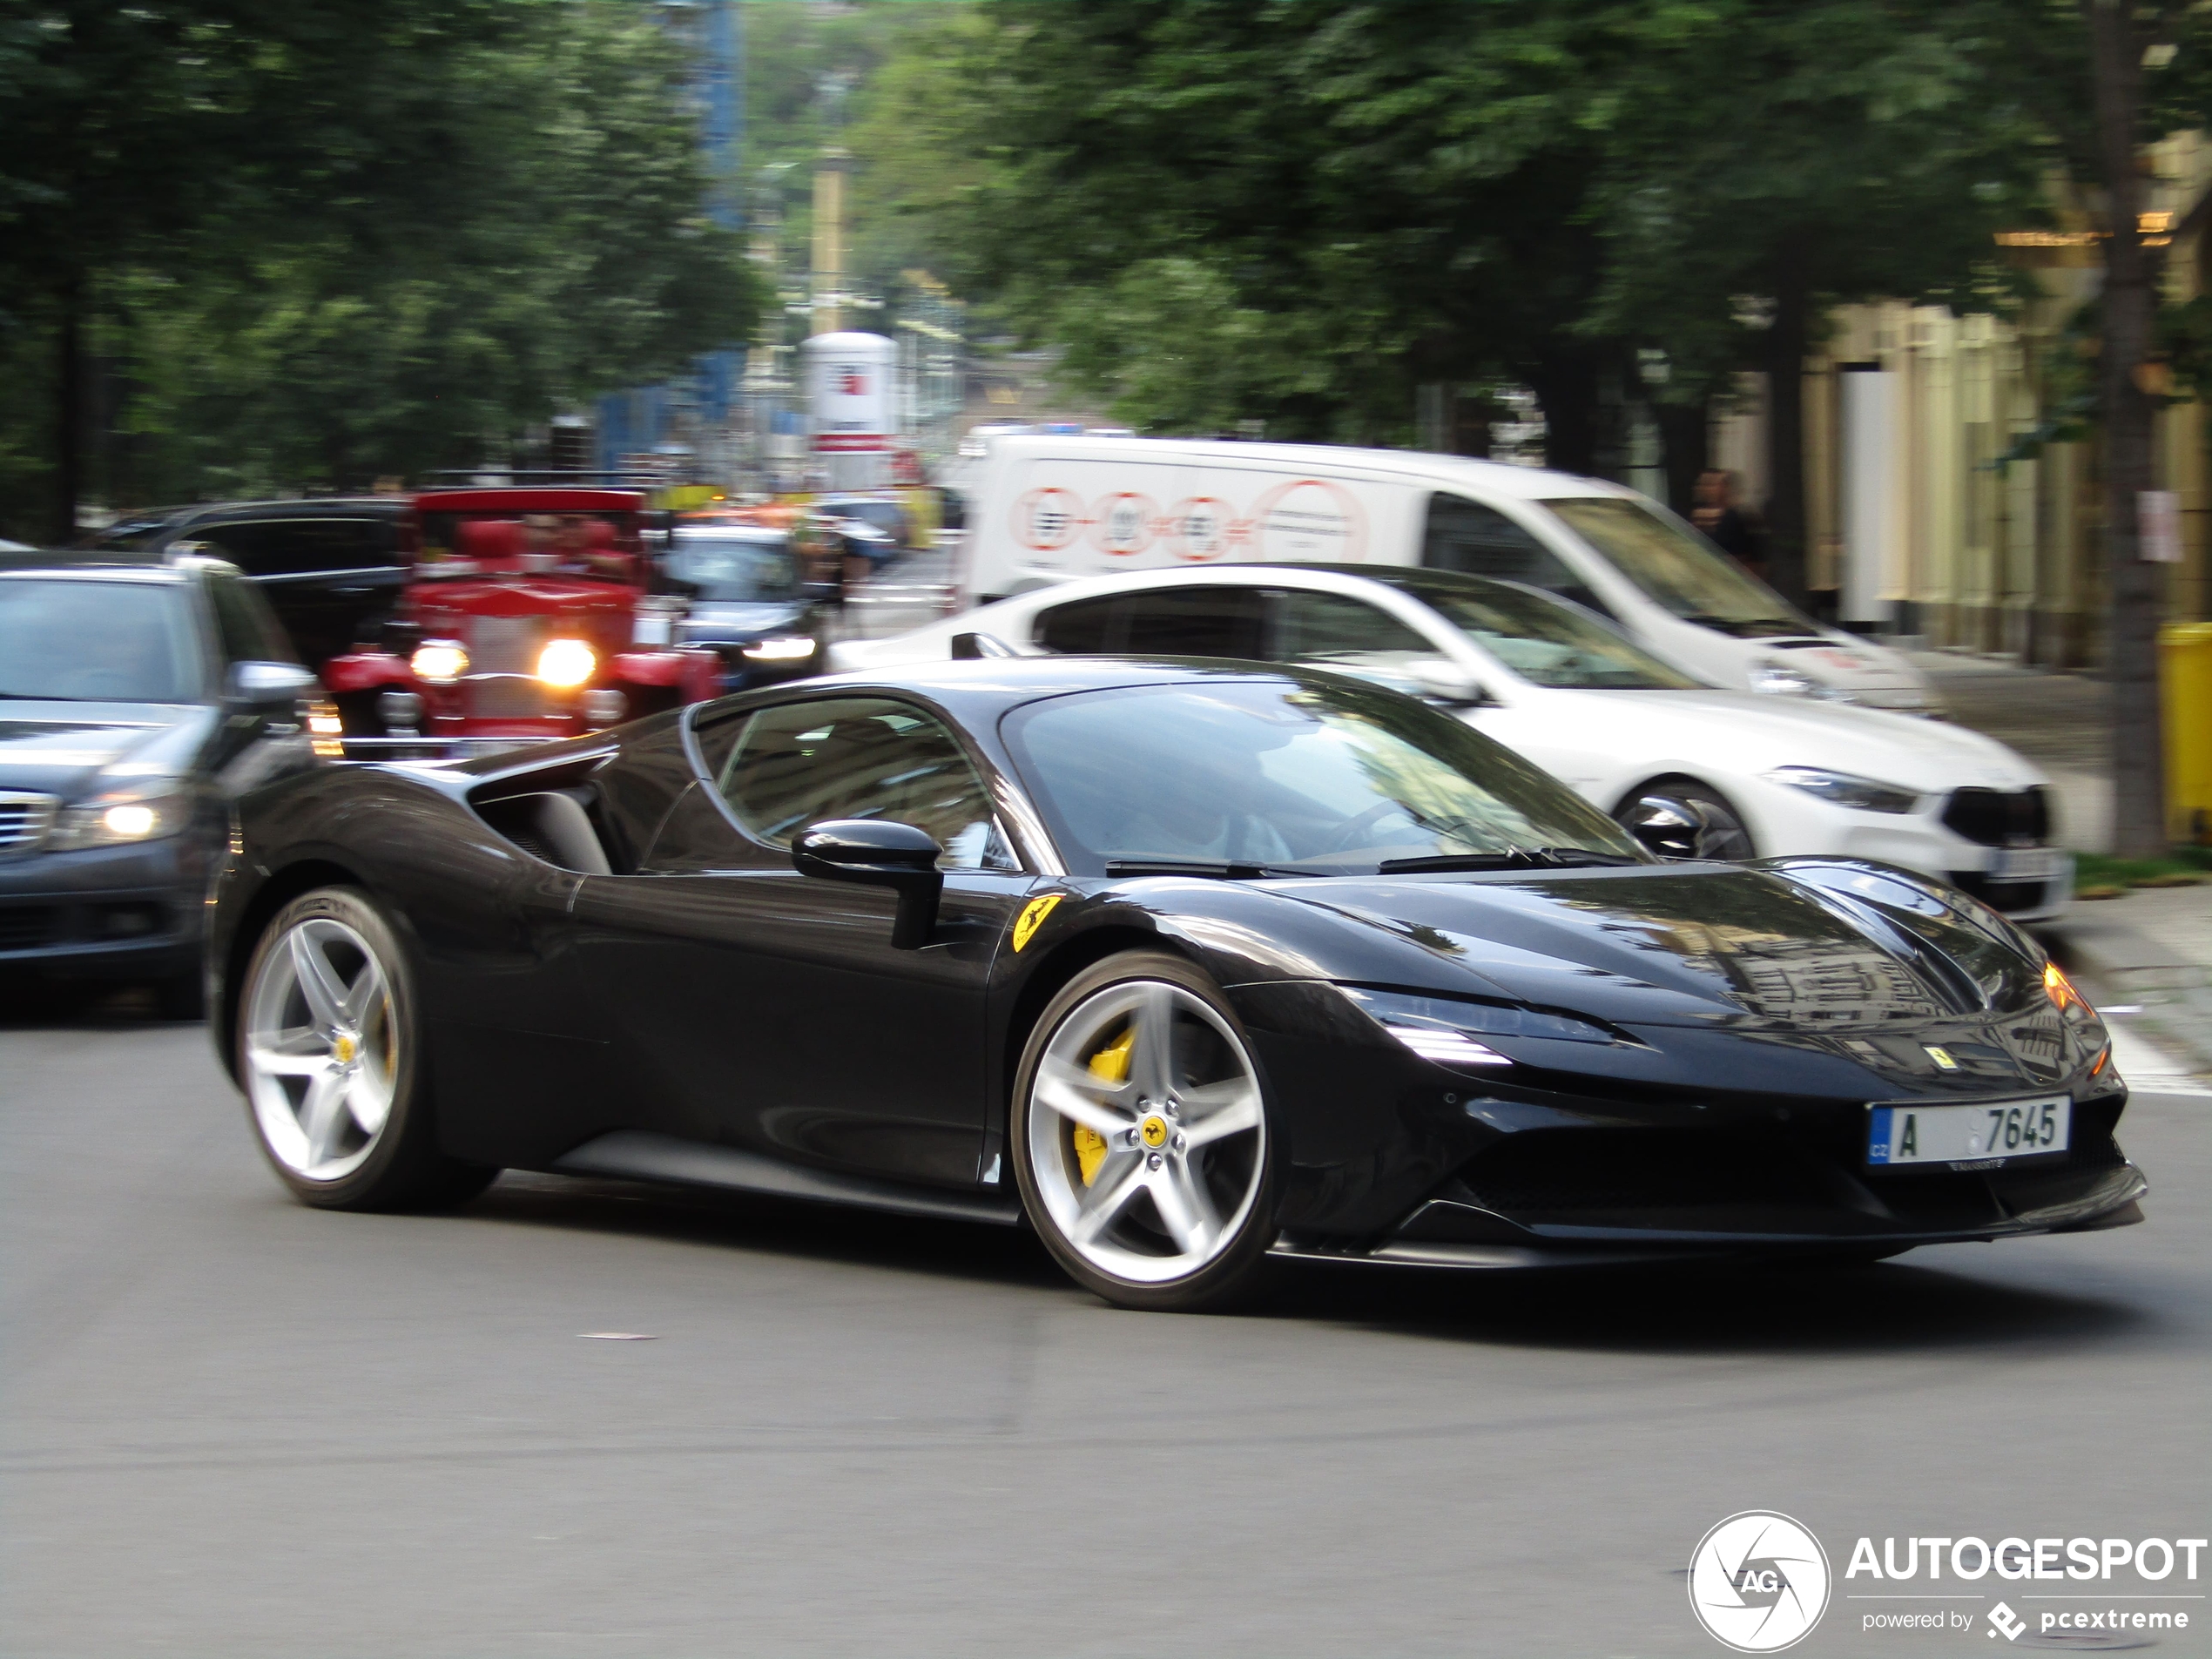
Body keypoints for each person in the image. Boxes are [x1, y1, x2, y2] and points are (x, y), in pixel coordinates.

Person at [1691, 469, 1767, 579]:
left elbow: (1756, 559)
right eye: (1703, 484)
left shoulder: (1740, 517)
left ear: (1725, 487)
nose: (1706, 489)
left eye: (1712, 484)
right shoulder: (1700, 517)